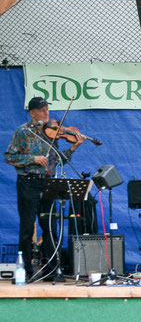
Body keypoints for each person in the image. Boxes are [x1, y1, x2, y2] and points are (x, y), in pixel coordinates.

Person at [4, 97, 85, 281]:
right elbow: (9, 156)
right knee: (26, 228)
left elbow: (58, 160)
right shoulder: (22, 132)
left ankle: (51, 270)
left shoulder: (52, 134)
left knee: (50, 227)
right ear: (32, 112)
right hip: (28, 182)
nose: (46, 113)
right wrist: (32, 159)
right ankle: (25, 271)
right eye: (41, 110)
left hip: (48, 182)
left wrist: (74, 146)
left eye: (47, 109)